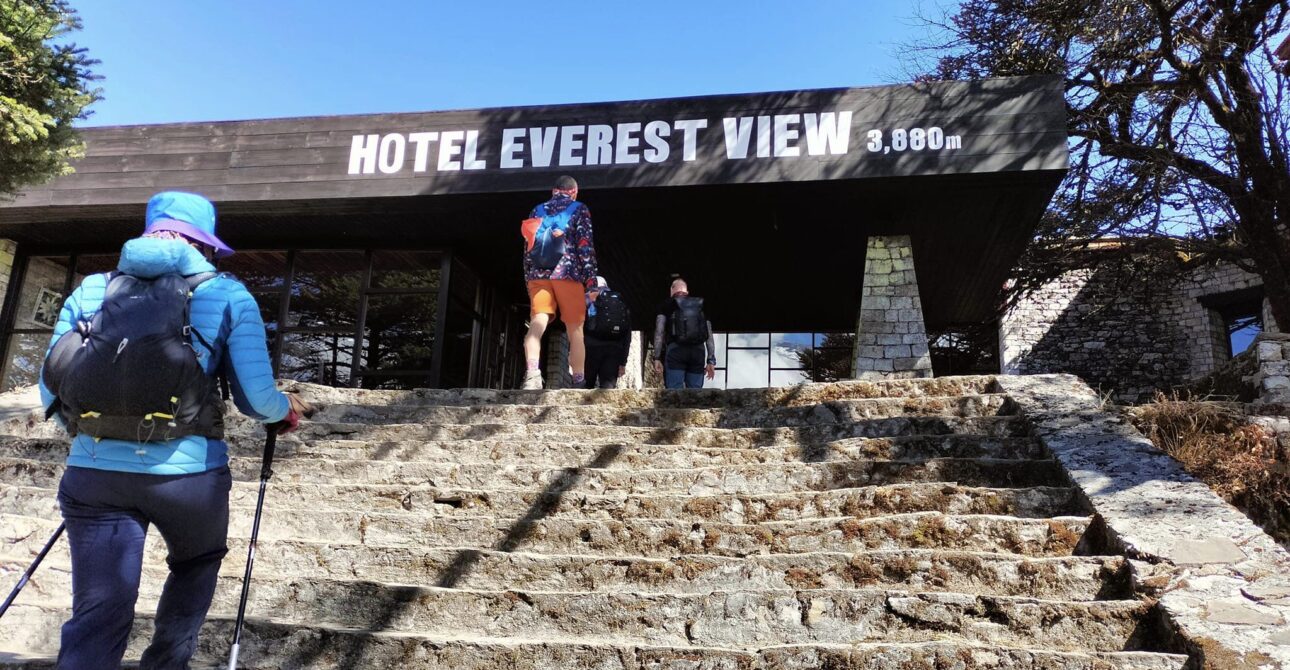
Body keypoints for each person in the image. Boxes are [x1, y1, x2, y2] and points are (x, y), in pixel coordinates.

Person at [38, 191, 310, 669]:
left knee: (99, 607)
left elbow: (50, 387)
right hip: (188, 478)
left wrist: (94, 431)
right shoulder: (226, 292)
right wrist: (286, 411)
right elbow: (256, 400)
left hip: (94, 475)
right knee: (195, 563)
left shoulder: (92, 288)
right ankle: (167, 660)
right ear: (201, 243)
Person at [519, 175, 598, 389]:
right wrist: (591, 283)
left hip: (539, 275)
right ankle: (579, 381)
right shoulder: (579, 209)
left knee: (537, 322)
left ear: (554, 190)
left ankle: (533, 375)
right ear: (574, 191)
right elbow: (585, 247)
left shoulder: (537, 210)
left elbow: (528, 248)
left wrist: (529, 278)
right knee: (575, 329)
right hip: (568, 274)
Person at [652, 278, 717, 389]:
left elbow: (659, 332)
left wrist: (657, 357)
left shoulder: (666, 305)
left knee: (674, 391)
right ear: (687, 292)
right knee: (695, 391)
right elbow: (709, 334)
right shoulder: (700, 305)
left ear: (671, 291)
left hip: (675, 351)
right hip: (698, 351)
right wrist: (711, 360)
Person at [583, 276, 632, 389]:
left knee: (585, 387)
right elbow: (627, 334)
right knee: (608, 388)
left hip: (590, 348)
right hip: (614, 349)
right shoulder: (619, 300)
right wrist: (623, 362)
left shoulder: (588, 298)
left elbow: (577, 326)